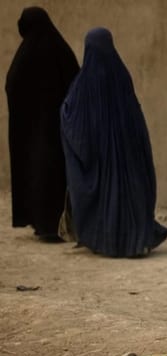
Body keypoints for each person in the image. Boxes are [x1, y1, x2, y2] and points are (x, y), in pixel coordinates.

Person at [59, 27, 167, 257]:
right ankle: (135, 241)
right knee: (130, 196)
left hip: (101, 163)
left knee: (105, 198)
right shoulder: (121, 76)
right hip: (129, 159)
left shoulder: (83, 85)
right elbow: (136, 119)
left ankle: (108, 241)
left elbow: (73, 124)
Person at [5, 6, 80, 241]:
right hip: (59, 132)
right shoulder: (61, 50)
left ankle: (43, 224)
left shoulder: (26, 54)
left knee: (37, 175)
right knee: (56, 176)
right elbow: (75, 83)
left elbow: (12, 85)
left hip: (32, 135)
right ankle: (55, 224)